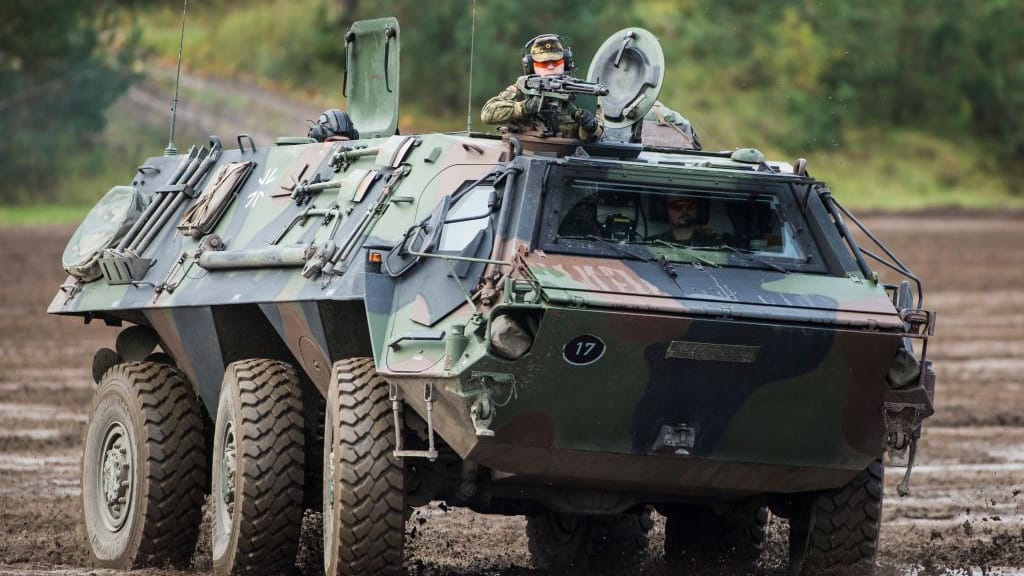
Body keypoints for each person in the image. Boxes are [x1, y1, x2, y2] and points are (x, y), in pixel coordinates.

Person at [480, 34, 603, 141]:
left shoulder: (581, 93)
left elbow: (593, 137)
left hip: (566, 156)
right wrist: (524, 107)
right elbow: (487, 114)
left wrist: (589, 125)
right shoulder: (522, 90)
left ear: (565, 62)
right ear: (530, 67)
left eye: (556, 62)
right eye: (543, 63)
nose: (550, 67)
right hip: (525, 152)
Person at [651, 196, 719, 246]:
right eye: (677, 206)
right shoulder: (653, 243)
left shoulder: (714, 245)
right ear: (666, 211)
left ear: (697, 210)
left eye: (690, 206)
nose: (685, 211)